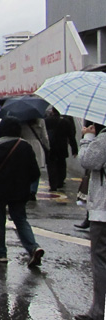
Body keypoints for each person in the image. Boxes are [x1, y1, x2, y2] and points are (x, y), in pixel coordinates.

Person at [0, 117, 44, 267]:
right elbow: (35, 171)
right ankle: (33, 247)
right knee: (21, 219)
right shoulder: (25, 146)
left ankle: (1, 253)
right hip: (20, 190)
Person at [76, 120, 105, 320]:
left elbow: (87, 161)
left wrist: (87, 138)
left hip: (103, 211)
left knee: (100, 260)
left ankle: (98, 311)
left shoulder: (104, 139)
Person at [45, 107, 78, 191]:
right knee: (61, 163)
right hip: (62, 145)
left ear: (52, 111)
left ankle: (53, 184)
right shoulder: (66, 121)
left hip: (51, 145)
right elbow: (71, 136)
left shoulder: (47, 120)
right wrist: (74, 149)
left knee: (51, 165)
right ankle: (60, 181)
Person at [20, 114, 50, 200]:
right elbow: (45, 136)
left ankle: (26, 188)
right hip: (37, 145)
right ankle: (33, 190)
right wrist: (47, 147)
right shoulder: (41, 121)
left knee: (25, 169)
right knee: (36, 169)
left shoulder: (22, 120)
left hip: (24, 144)